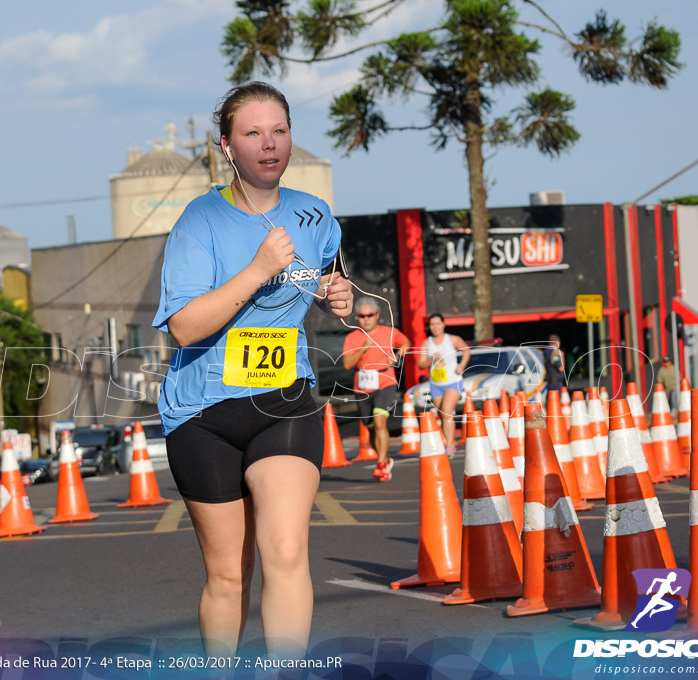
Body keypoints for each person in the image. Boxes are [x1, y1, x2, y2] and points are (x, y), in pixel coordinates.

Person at [152, 82, 353, 659]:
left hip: (282, 401)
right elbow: (186, 326)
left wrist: (331, 295)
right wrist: (259, 268)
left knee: (285, 551)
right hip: (204, 414)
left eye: (279, 131)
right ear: (227, 146)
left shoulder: (315, 216)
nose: (269, 145)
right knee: (229, 575)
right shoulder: (200, 220)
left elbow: (316, 279)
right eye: (252, 133)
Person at [342, 298, 410, 481]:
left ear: (377, 315)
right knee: (370, 426)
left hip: (385, 381)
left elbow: (406, 343)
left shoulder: (390, 332)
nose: (366, 319)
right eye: (362, 316)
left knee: (380, 422)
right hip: (363, 386)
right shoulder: (353, 337)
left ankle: (380, 464)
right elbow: (347, 364)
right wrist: (362, 349)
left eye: (369, 315)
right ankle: (384, 457)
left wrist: (396, 356)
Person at [419, 314, 469, 456]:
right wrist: (431, 360)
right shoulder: (427, 343)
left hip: (453, 382)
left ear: (443, 324)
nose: (435, 327)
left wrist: (462, 365)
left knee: (446, 411)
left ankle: (450, 446)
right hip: (436, 384)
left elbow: (466, 350)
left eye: (438, 323)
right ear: (429, 327)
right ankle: (448, 441)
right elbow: (421, 364)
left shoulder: (453, 339)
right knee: (442, 414)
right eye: (432, 324)